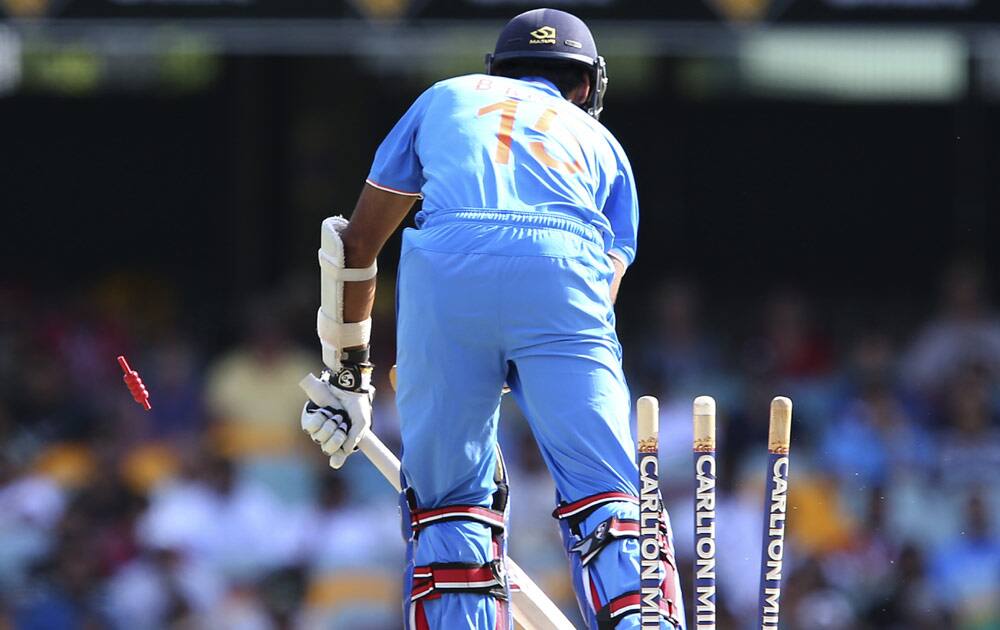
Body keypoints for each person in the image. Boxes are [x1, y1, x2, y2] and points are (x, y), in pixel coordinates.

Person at [299, 8, 683, 629]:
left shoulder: (444, 97)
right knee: (610, 498)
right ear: (585, 85)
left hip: (446, 269)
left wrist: (348, 377)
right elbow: (598, 297)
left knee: (449, 506)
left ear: (498, 70)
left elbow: (354, 246)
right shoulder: (605, 145)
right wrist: (520, 359)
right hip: (564, 271)